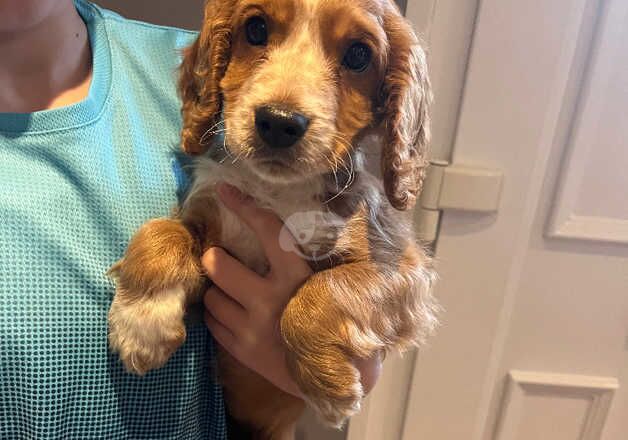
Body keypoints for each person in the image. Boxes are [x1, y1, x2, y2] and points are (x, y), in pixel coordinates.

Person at [0, 1, 381, 438]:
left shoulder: (180, 71)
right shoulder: (215, 75)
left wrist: (323, 347)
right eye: (257, 31)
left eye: (354, 55)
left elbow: (366, 349)